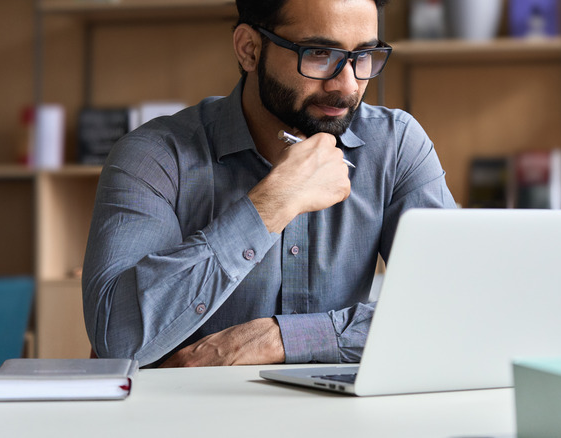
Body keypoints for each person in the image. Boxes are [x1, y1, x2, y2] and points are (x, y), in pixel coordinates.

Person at [82, 0, 456, 368]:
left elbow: (458, 309)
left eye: (363, 56)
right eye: (319, 54)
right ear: (249, 50)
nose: (347, 84)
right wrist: (271, 204)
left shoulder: (395, 144)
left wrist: (280, 338)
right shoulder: (154, 157)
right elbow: (118, 339)